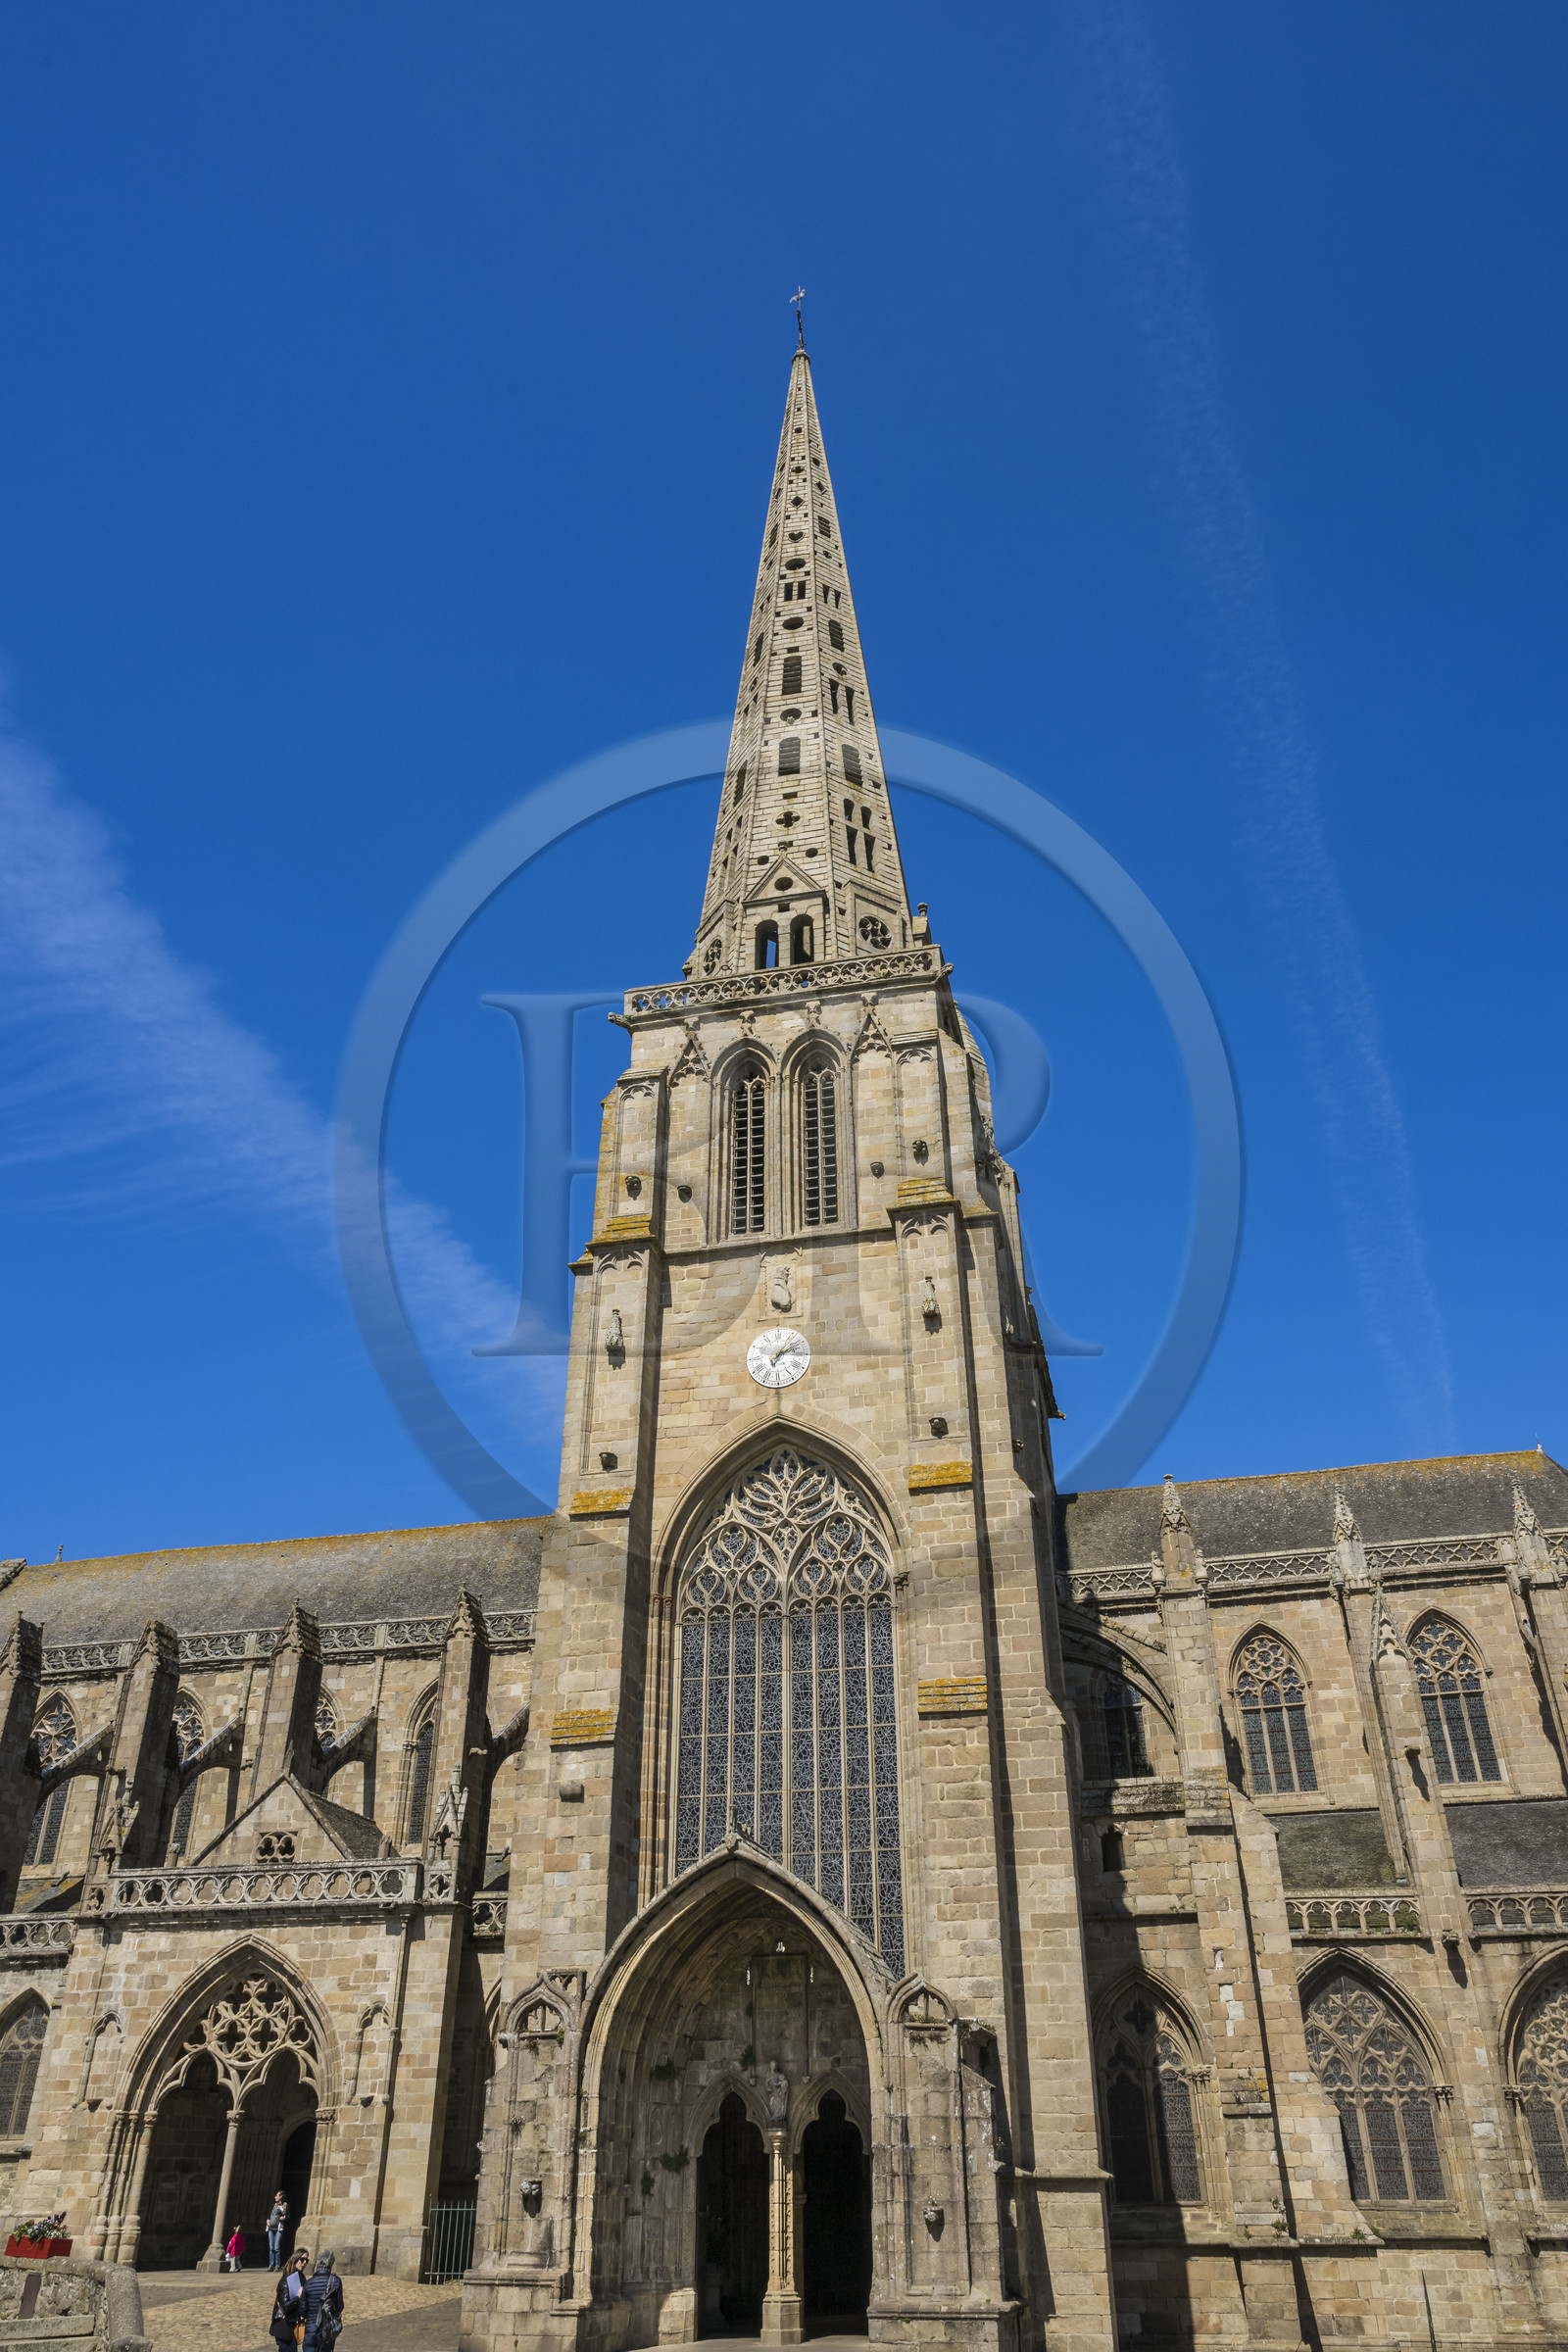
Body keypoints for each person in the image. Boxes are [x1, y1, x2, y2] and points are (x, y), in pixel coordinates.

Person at [300, 2250, 343, 2348]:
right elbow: (340, 2306)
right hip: (327, 2331)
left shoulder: (308, 2283)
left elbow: (302, 2311)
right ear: (331, 2264)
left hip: (310, 2330)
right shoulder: (336, 2281)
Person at [271, 2250, 311, 2348]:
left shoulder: (301, 2277)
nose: (304, 2262)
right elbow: (285, 2306)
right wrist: (298, 2297)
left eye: (306, 2260)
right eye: (302, 2259)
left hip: (294, 2324)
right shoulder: (286, 2280)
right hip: (284, 2326)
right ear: (295, 2259)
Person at [267, 2191, 289, 2272]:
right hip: (271, 2228)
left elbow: (288, 2216)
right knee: (271, 2247)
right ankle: (271, 2265)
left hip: (279, 2229)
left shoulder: (285, 2205)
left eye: (277, 2195)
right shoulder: (274, 2205)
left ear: (281, 2197)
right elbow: (269, 2214)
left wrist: (284, 2218)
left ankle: (277, 2265)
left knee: (276, 2247)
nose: (275, 2197)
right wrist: (268, 2220)